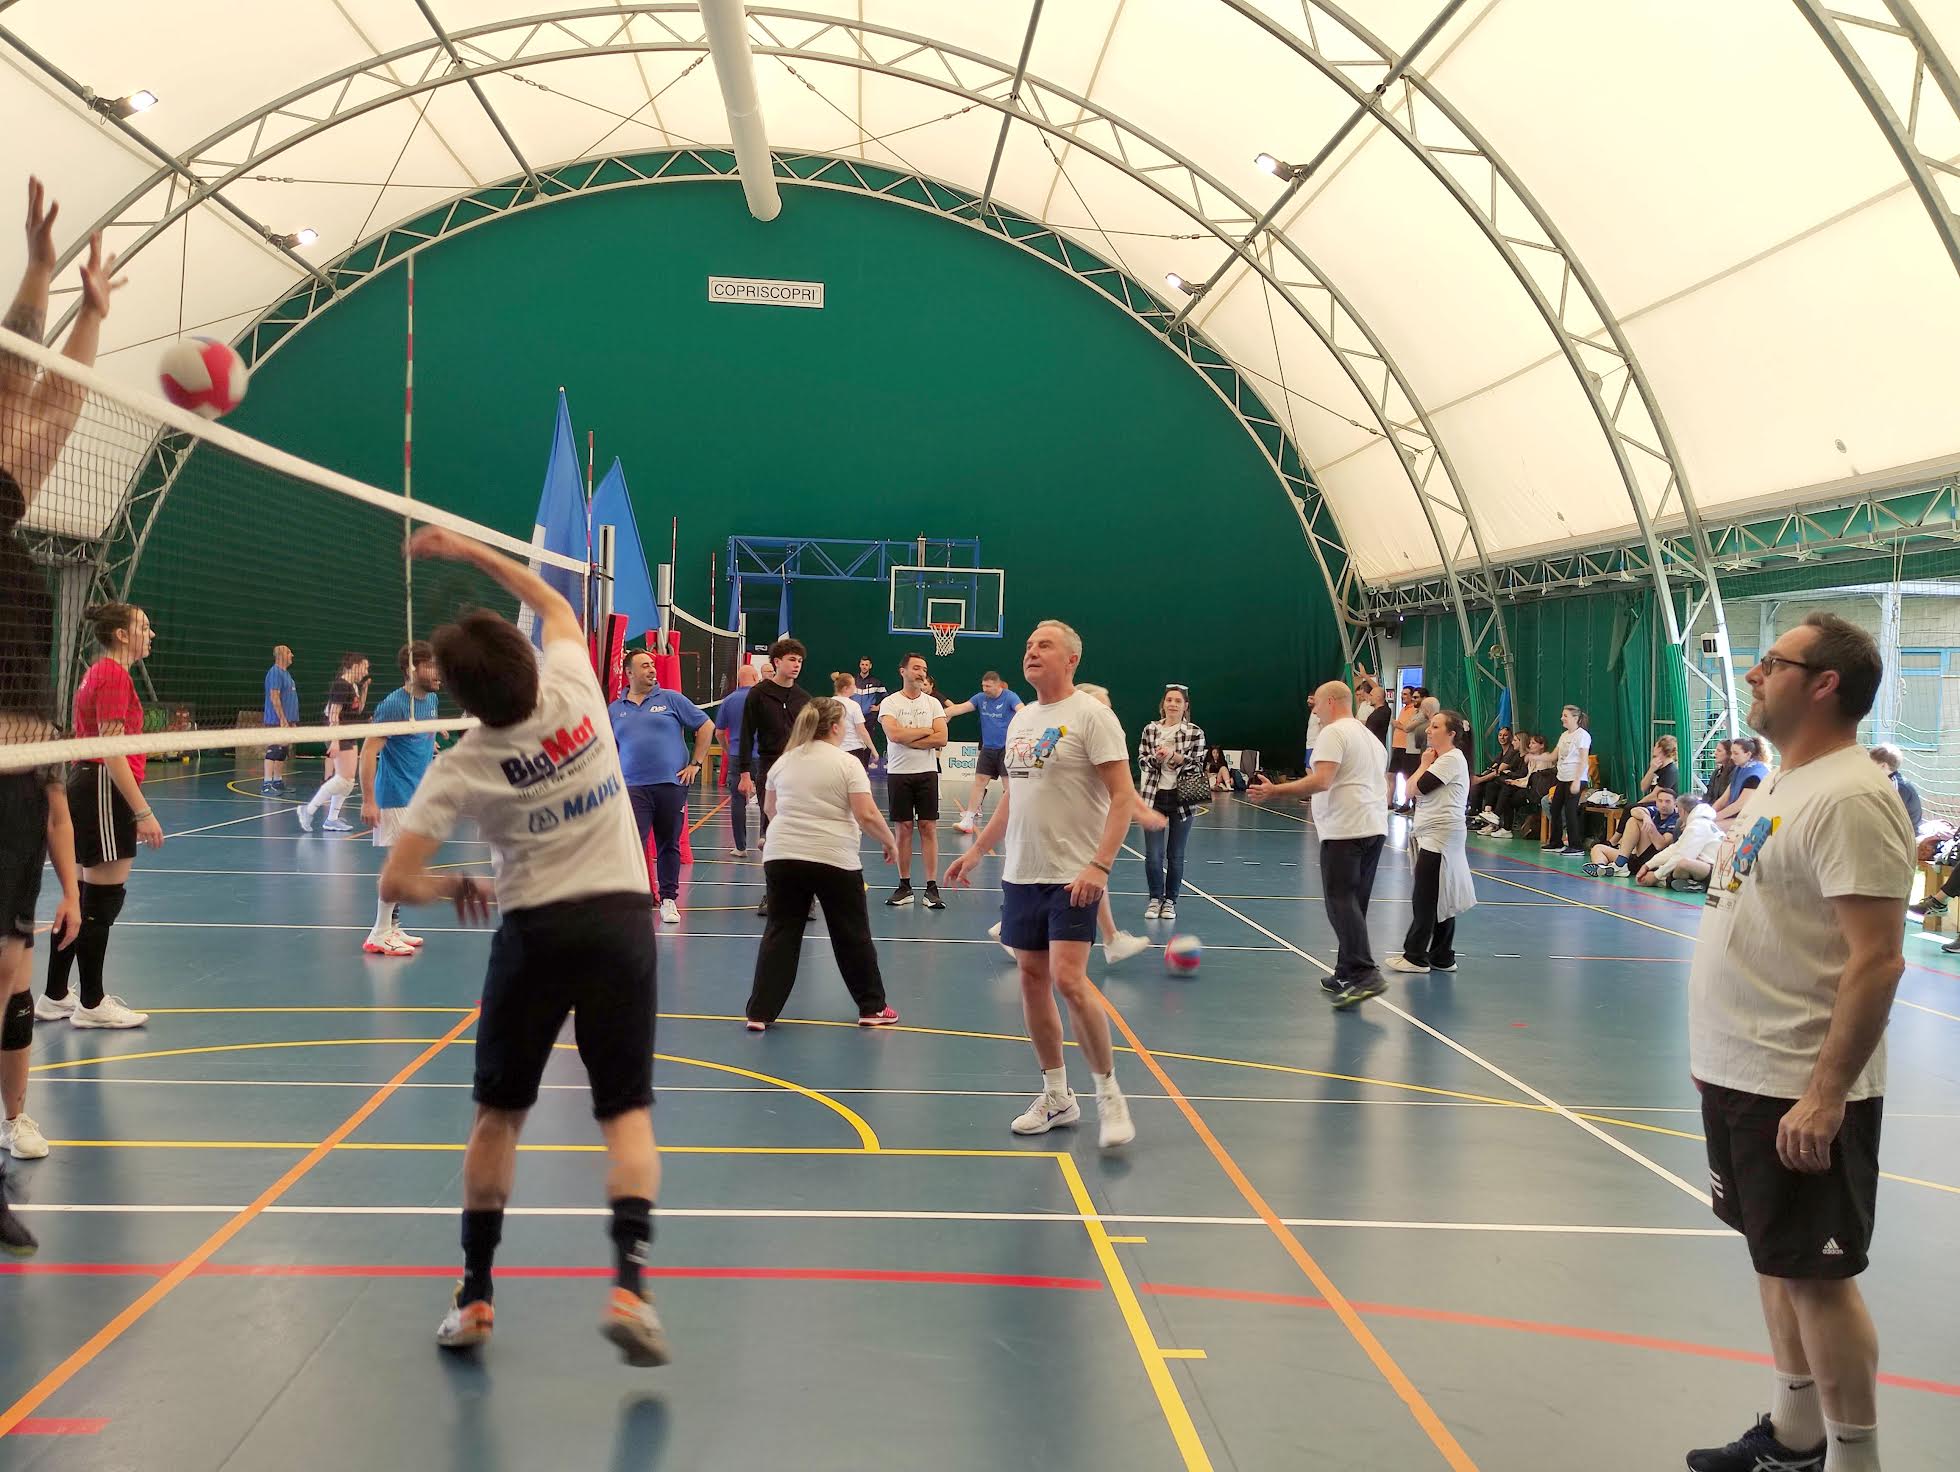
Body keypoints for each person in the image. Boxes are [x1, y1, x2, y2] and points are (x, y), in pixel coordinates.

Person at [378, 525, 670, 1366]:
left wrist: (454, 886)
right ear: (527, 661)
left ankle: (475, 1297)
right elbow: (552, 601)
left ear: (463, 699)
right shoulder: (576, 685)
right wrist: (470, 551)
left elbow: (395, 880)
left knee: (499, 1118)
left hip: (535, 931)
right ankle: (631, 1286)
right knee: (625, 1114)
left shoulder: (461, 765)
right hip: (620, 923)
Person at [1684, 613, 1910, 1472]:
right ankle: (1794, 1439)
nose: (1753, 673)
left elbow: (1878, 959)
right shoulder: (1786, 782)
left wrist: (1824, 1095)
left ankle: (1855, 1462)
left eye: (1772, 662)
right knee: (1777, 1261)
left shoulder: (1851, 796)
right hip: (1741, 1071)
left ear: (1823, 685)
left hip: (1797, 1083)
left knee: (1819, 1281)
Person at [1, 177, 115, 1234]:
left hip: (17, 776)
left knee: (9, 968)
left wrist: (90, 314)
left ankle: (9, 1125)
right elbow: (19, 380)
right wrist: (41, 276)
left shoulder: (12, 516)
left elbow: (54, 405)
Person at [944, 620, 1138, 1147]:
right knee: (1032, 979)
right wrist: (978, 850)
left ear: (1071, 659)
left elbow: (1123, 796)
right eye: (1029, 645)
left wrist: (1100, 866)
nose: (1031, 652)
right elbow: (1014, 795)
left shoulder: (1093, 716)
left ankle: (1109, 1094)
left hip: (1072, 874)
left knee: (1069, 980)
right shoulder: (1023, 718)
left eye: (1044, 646)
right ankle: (1057, 1096)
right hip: (1021, 873)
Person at [745, 697, 902, 1030]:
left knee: (781, 933)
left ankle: (759, 1013)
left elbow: (771, 810)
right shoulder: (847, 764)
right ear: (834, 727)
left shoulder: (784, 762)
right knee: (852, 934)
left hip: (782, 856)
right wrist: (890, 841)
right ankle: (872, 1008)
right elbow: (866, 814)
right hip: (833, 858)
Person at [38, 602, 160, 1030]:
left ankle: (55, 995)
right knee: (101, 901)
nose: (151, 634)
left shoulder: (99, 672)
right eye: (144, 627)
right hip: (103, 788)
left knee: (82, 897)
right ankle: (91, 1003)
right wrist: (142, 810)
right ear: (122, 635)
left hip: (90, 785)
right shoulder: (112, 675)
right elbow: (112, 750)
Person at [1247, 681, 1390, 1007]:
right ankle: (1345, 971)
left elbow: (1322, 780)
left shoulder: (1333, 733)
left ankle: (1365, 972)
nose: (1314, 712)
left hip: (1345, 829)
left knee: (1339, 900)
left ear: (1331, 702)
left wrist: (1275, 791)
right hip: (1373, 827)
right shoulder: (1370, 738)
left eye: (1317, 705)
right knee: (1355, 902)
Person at [609, 650, 712, 926]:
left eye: (653, 665)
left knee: (669, 843)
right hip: (633, 788)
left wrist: (696, 764)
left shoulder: (671, 699)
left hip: (670, 785)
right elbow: (607, 746)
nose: (652, 669)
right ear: (629, 673)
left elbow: (706, 725)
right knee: (633, 845)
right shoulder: (615, 709)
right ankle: (633, 899)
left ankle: (668, 900)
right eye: (645, 666)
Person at [356, 642, 441, 957]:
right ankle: (379, 933)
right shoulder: (394, 705)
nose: (439, 672)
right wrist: (368, 801)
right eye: (431, 665)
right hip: (394, 795)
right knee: (400, 864)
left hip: (416, 794)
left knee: (405, 862)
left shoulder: (431, 699)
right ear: (411, 669)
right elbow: (368, 751)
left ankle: (391, 927)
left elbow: (423, 736)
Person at [1386, 708, 1477, 975]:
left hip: (1440, 837)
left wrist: (1424, 764)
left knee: (1425, 897)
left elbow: (1413, 789)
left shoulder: (1450, 760)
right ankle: (1442, 955)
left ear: (1451, 734)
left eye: (1435, 726)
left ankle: (1415, 956)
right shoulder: (1445, 759)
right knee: (1440, 895)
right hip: (1436, 835)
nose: (1428, 729)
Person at [737, 640, 811, 913]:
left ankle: (804, 897)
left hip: (800, 770)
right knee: (771, 833)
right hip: (769, 770)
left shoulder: (804, 698)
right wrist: (744, 773)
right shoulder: (758, 694)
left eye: (799, 661)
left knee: (801, 833)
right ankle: (772, 893)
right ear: (777, 662)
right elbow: (746, 734)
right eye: (792, 660)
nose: (796, 665)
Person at [879, 653, 948, 910]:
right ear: (903, 671)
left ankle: (931, 888)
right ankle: (904, 885)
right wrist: (926, 731)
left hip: (927, 773)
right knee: (904, 828)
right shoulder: (889, 703)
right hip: (899, 774)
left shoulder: (933, 704)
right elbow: (894, 735)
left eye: (924, 669)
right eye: (916, 668)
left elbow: (942, 738)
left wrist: (911, 738)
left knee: (928, 827)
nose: (921, 673)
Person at [1137, 684, 1206, 921]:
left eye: (1178, 701)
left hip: (1184, 796)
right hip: (1154, 796)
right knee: (1153, 854)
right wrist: (1156, 759)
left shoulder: (1195, 732)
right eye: (1169, 700)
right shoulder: (1150, 730)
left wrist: (1175, 757)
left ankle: (1170, 901)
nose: (1173, 704)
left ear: (1185, 706)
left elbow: (1197, 766)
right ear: (1163, 704)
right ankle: (1155, 898)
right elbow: (1142, 761)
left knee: (1175, 854)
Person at [943, 671, 1023, 834]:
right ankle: (968, 820)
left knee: (1008, 787)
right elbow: (960, 708)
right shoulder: (980, 698)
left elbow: (1022, 711)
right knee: (979, 783)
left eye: (988, 686)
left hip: (1006, 749)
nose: (985, 689)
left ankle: (1013, 822)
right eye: (983, 686)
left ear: (998, 685)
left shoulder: (1010, 697)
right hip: (988, 749)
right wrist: (938, 714)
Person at [298, 652, 369, 833]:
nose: (366, 671)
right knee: (343, 778)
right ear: (355, 666)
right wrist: (334, 740)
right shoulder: (341, 685)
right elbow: (333, 713)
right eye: (365, 667)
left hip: (347, 732)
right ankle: (308, 810)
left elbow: (358, 709)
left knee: (349, 780)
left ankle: (332, 819)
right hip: (337, 731)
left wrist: (364, 690)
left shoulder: (353, 686)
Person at [1584, 787, 1682, 879]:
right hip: (1636, 858)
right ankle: (1602, 868)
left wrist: (1650, 825)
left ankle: (1619, 865)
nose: (1663, 805)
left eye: (1667, 801)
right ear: (1656, 802)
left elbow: (1660, 845)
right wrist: (1646, 817)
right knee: (1597, 848)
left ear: (1675, 804)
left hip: (1653, 861)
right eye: (1660, 801)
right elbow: (1634, 810)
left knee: (1634, 821)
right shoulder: (1655, 811)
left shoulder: (1676, 819)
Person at [715, 663, 760, 855]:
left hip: (737, 756)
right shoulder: (763, 698)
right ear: (756, 678)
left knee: (738, 800)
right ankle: (766, 840)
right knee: (767, 797)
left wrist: (728, 749)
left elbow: (718, 732)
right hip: (761, 756)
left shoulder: (729, 700)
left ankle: (740, 847)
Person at [1635, 797, 1721, 891]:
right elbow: (1674, 848)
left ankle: (1670, 882)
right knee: (1678, 867)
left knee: (1683, 863)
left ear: (1682, 811)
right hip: (1710, 868)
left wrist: (1656, 876)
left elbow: (1682, 855)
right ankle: (1687, 883)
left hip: (1716, 872)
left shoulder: (1697, 826)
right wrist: (1648, 865)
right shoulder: (1700, 823)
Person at [1542, 704, 1592, 855]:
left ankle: (1576, 846)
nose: (1562, 718)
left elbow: (1583, 760)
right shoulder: (1564, 735)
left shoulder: (1582, 735)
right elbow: (1553, 756)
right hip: (1562, 778)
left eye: (1565, 716)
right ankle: (1556, 842)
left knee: (1570, 811)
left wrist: (1577, 780)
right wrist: (1535, 757)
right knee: (1555, 808)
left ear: (1575, 718)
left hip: (1576, 778)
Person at [1712, 734, 1772, 829]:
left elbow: (1740, 805)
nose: (1732, 757)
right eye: (1731, 753)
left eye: (1736, 753)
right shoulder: (1740, 768)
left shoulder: (1755, 775)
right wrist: (1709, 813)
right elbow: (1724, 799)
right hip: (1743, 817)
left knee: (1711, 828)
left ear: (1748, 754)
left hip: (1758, 820)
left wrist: (1714, 818)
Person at [261, 644, 298, 794]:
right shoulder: (275, 672)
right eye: (289, 653)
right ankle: (266, 784)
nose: (292, 655)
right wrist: (282, 718)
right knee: (273, 750)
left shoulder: (286, 674)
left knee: (282, 751)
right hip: (276, 721)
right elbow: (274, 697)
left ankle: (277, 782)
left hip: (287, 721)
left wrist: (292, 721)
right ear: (281, 655)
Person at [1866, 746, 1920, 832]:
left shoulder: (1898, 786)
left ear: (1883, 765)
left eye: (1871, 764)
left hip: (1904, 836)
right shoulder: (1886, 781)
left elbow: (1886, 818)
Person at [829, 671, 873, 769]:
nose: (855, 687)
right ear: (846, 688)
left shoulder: (828, 704)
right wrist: (873, 750)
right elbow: (862, 730)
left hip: (834, 750)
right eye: (853, 685)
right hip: (854, 750)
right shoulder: (854, 706)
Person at [1387, 685, 1422, 811]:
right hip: (1397, 746)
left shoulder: (1415, 711)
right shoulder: (1403, 709)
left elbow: (1408, 727)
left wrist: (1398, 725)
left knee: (1407, 776)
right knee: (1391, 774)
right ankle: (1389, 802)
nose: (1402, 696)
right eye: (1402, 694)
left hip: (1406, 748)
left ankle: (1408, 803)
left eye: (1405, 694)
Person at [852, 656, 887, 767]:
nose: (864, 667)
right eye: (862, 664)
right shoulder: (853, 681)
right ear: (859, 665)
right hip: (854, 717)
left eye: (866, 665)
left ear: (870, 666)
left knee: (867, 742)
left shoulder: (876, 682)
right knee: (854, 742)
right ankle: (854, 767)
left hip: (869, 717)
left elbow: (887, 698)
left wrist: (878, 707)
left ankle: (864, 767)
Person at [1702, 737, 1737, 812]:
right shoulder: (1716, 772)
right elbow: (1708, 795)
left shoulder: (1735, 773)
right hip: (1712, 809)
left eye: (1719, 751)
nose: (1715, 753)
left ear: (1729, 753)